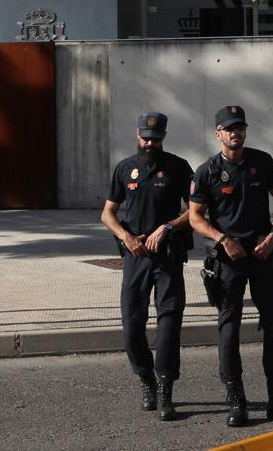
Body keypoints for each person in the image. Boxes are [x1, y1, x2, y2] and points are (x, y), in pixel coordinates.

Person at [188, 105, 273, 428]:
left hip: (261, 256)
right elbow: (195, 217)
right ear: (218, 134)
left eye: (239, 127)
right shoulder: (207, 171)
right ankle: (236, 399)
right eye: (229, 128)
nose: (235, 133)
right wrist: (221, 238)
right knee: (229, 328)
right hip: (228, 261)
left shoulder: (262, 162)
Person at [100, 111, 195, 421]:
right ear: (137, 135)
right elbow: (108, 214)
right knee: (131, 325)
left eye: (155, 138)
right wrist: (126, 237)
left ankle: (166, 389)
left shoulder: (179, 168)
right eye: (145, 137)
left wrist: (167, 228)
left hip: (167, 257)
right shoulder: (125, 168)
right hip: (136, 257)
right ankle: (146, 381)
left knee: (168, 324)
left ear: (164, 137)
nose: (150, 142)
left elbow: (195, 212)